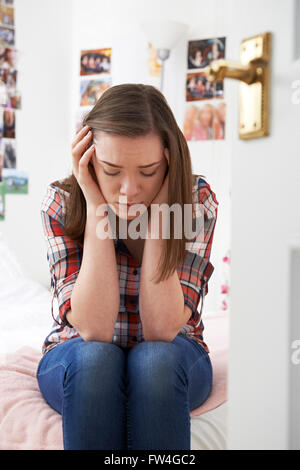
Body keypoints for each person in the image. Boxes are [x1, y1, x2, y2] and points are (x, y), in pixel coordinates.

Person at [36, 83, 219, 450]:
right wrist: (96, 206)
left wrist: (162, 216)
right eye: (112, 170)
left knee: (154, 362)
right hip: (78, 354)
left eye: (148, 171)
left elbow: (163, 329)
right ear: (87, 159)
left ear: (169, 161)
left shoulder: (195, 202)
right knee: (95, 361)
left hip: (173, 355)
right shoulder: (62, 201)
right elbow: (94, 328)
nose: (129, 190)